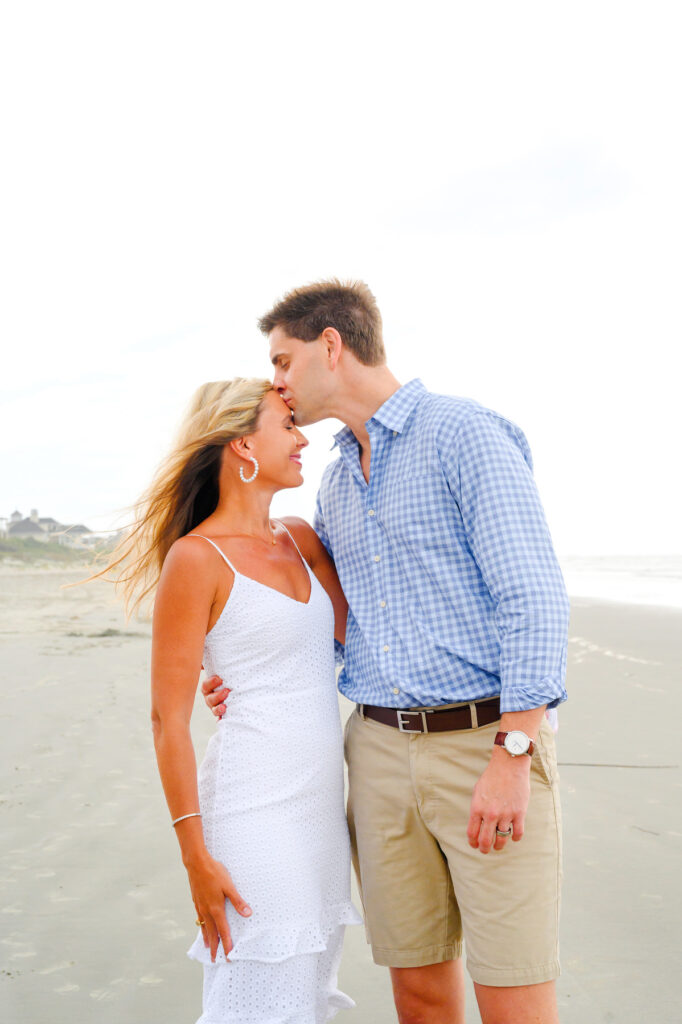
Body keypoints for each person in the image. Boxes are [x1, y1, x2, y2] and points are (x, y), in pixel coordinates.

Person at [203, 281, 569, 1024]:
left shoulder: (465, 435)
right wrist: (246, 672)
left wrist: (513, 752)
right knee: (421, 995)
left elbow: (533, 599)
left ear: (330, 345)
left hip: (483, 745)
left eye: (283, 358)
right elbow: (352, 625)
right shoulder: (336, 482)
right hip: (374, 754)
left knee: (514, 995)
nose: (275, 379)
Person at [99, 378, 361, 1023]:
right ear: (243, 443)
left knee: (305, 991)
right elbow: (167, 720)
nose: (303, 438)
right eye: (287, 424)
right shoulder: (196, 560)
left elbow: (359, 645)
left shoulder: (301, 537)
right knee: (259, 998)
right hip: (252, 810)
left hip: (323, 812)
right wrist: (195, 857)